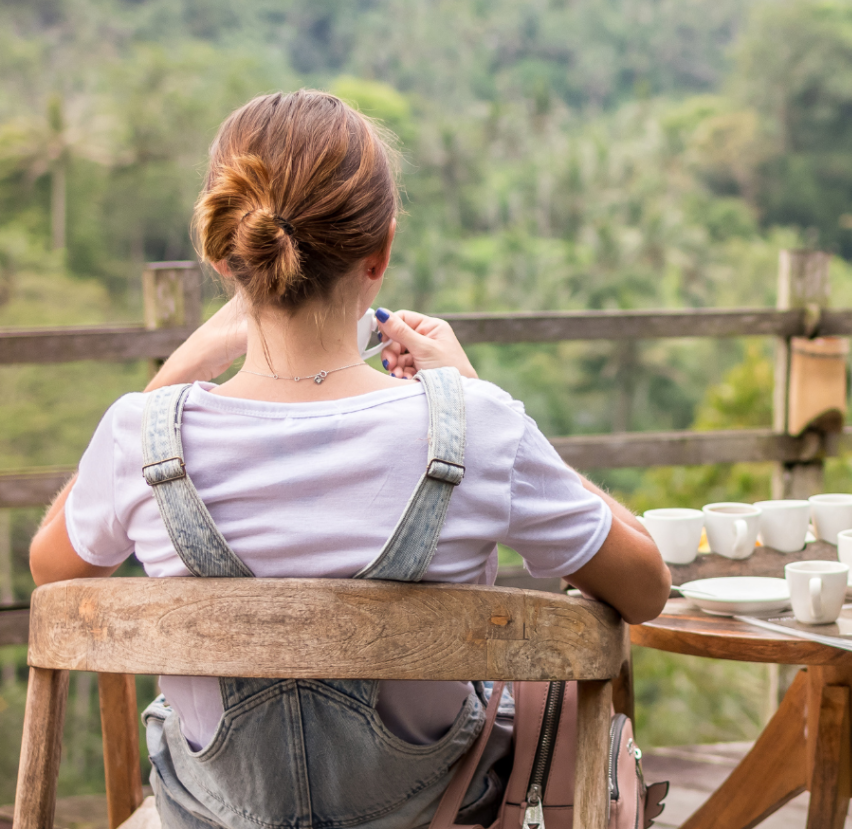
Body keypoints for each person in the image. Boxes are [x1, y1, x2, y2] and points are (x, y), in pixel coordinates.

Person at [29, 89, 671, 829]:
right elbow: (647, 586)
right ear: (382, 251)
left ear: (222, 253)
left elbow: (54, 574)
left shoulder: (137, 438)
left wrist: (175, 370)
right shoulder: (478, 428)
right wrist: (471, 391)